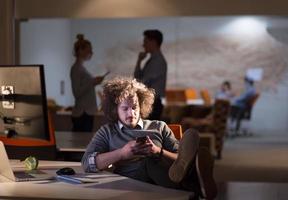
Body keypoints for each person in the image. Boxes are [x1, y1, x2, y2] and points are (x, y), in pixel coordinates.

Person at [81, 76, 217, 199]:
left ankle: (194, 177)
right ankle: (196, 184)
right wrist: (122, 154)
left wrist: (158, 151)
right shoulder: (107, 132)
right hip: (131, 183)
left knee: (159, 159)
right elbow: (87, 163)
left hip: (163, 182)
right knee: (149, 162)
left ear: (141, 105)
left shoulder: (159, 126)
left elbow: (180, 159)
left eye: (135, 107)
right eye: (125, 108)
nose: (132, 112)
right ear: (115, 109)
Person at [70, 34, 104, 132]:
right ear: (80, 50)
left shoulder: (81, 68)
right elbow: (76, 92)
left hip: (86, 112)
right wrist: (92, 82)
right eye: (89, 50)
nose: (91, 52)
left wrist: (93, 82)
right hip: (82, 113)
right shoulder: (76, 68)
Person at [134, 29, 167, 120]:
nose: (143, 45)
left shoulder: (158, 61)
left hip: (153, 103)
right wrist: (139, 61)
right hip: (150, 102)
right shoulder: (152, 60)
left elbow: (142, 82)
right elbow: (138, 78)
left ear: (154, 42)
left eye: (146, 41)